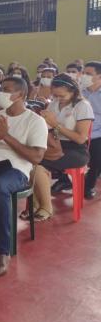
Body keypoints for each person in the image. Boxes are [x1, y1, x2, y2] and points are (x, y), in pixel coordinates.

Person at [0, 77, 47, 277]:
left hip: (16, 170)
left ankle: (2, 252)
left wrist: (6, 137)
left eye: (6, 90)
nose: (1, 93)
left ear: (20, 95)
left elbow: (37, 157)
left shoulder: (35, 121)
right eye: (1, 90)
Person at [30, 74, 93, 221]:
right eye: (55, 95)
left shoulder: (83, 106)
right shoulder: (53, 104)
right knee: (29, 159)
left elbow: (80, 138)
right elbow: (48, 128)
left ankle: (46, 207)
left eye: (62, 95)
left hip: (76, 150)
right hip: (54, 144)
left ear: (73, 91)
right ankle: (35, 204)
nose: (58, 98)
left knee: (38, 165)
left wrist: (55, 124)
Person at [82, 61, 101, 199]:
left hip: (97, 133)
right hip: (77, 132)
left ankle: (89, 186)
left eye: (89, 74)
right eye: (84, 73)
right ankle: (64, 181)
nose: (85, 76)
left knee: (96, 159)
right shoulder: (79, 91)